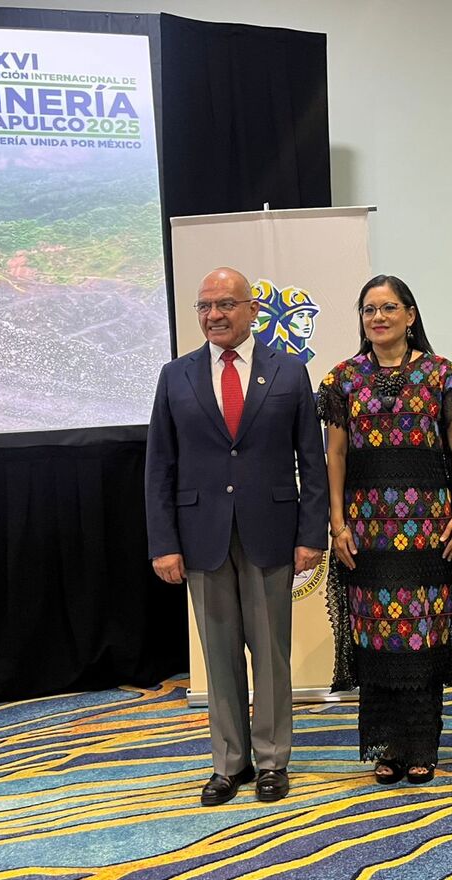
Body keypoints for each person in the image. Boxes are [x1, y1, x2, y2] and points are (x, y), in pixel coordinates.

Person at [145, 267, 328, 806]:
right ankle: (230, 763)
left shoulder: (290, 373)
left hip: (271, 532)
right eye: (204, 306)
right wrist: (163, 542)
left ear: (252, 310)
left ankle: (273, 761)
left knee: (270, 653)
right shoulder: (174, 376)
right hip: (200, 537)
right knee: (217, 654)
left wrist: (310, 534)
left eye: (225, 304)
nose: (213, 315)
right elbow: (160, 467)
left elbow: (311, 463)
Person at [317, 274, 452, 785]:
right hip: (365, 530)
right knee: (376, 634)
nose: (378, 318)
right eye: (369, 310)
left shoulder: (442, 376)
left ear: (411, 316)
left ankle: (421, 747)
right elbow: (336, 454)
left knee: (422, 632)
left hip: (429, 524)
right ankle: (386, 747)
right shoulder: (341, 380)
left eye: (389, 308)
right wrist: (337, 522)